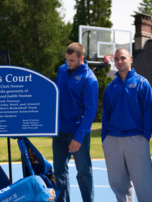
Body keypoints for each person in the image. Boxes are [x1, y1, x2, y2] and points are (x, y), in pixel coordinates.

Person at [101, 48, 152, 202]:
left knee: (144, 182)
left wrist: (145, 137)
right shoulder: (110, 87)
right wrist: (104, 138)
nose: (119, 61)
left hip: (136, 138)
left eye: (123, 58)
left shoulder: (142, 83)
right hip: (112, 139)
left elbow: (149, 112)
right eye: (116, 59)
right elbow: (106, 114)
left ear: (131, 60)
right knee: (117, 183)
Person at [53, 42, 98, 202]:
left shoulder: (90, 79)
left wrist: (78, 138)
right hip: (59, 132)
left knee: (83, 173)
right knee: (58, 172)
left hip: (77, 133)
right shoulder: (62, 70)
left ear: (81, 58)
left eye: (72, 60)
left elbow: (90, 111)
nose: (68, 63)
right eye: (66, 59)